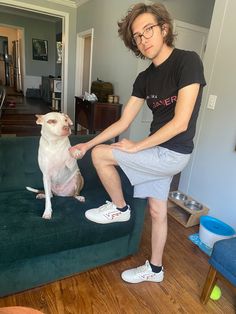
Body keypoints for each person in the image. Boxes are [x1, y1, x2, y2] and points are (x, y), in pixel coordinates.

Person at [69, 2, 206, 284]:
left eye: (149, 30)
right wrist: (86, 143)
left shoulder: (187, 61)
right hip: (158, 149)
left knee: (102, 156)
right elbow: (122, 121)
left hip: (174, 153)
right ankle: (155, 270)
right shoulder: (145, 78)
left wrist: (135, 146)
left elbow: (180, 123)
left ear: (164, 29)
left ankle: (119, 209)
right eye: (137, 36)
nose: (144, 39)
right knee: (157, 210)